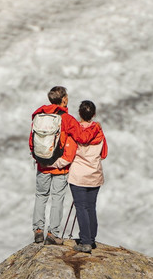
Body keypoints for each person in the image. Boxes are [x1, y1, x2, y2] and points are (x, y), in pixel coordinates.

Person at [29, 86, 101, 245]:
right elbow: (82, 137)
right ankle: (53, 233)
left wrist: (39, 159)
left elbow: (32, 140)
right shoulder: (66, 119)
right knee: (57, 198)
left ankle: (38, 230)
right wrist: (96, 128)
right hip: (60, 167)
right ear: (64, 99)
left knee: (41, 196)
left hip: (42, 165)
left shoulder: (39, 115)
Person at [68, 100, 107, 254]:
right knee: (91, 207)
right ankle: (91, 239)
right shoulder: (99, 132)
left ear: (79, 113)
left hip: (78, 174)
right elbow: (104, 153)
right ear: (94, 114)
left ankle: (85, 242)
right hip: (94, 174)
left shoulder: (75, 131)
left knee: (81, 207)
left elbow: (70, 152)